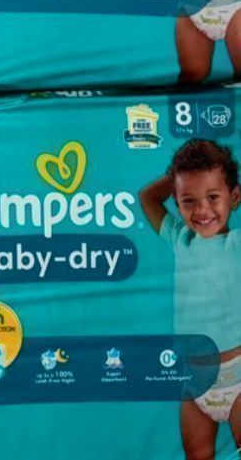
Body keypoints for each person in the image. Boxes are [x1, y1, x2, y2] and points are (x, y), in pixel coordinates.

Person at [140, 139, 241, 458]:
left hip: (238, 373)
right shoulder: (179, 238)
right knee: (196, 454)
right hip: (194, 380)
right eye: (189, 201)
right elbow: (146, 197)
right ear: (177, 201)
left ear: (234, 197)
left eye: (213, 197)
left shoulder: (238, 243)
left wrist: (190, 178)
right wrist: (179, 176)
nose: (202, 210)